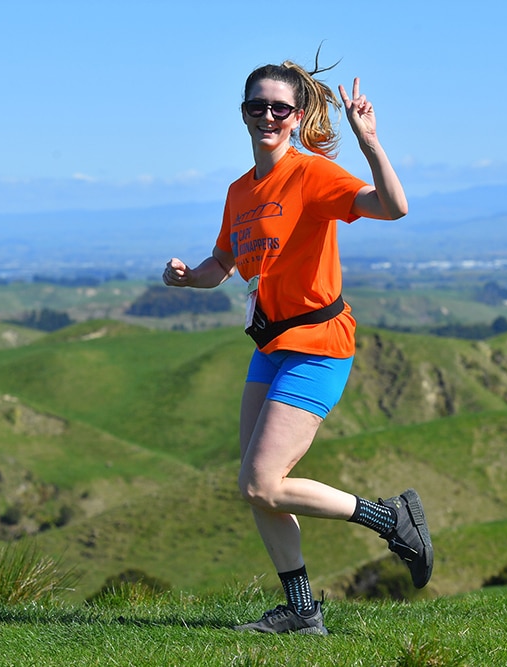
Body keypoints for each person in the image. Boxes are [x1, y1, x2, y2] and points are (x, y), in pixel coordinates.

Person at [162, 53, 432, 635]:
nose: (267, 116)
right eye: (256, 106)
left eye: (279, 108)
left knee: (263, 482)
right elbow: (223, 263)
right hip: (270, 345)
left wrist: (370, 143)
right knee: (255, 488)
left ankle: (391, 520)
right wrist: (190, 278)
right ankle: (302, 610)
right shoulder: (240, 191)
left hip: (319, 342)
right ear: (242, 114)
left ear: (298, 114)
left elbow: (393, 207)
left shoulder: (312, 175)